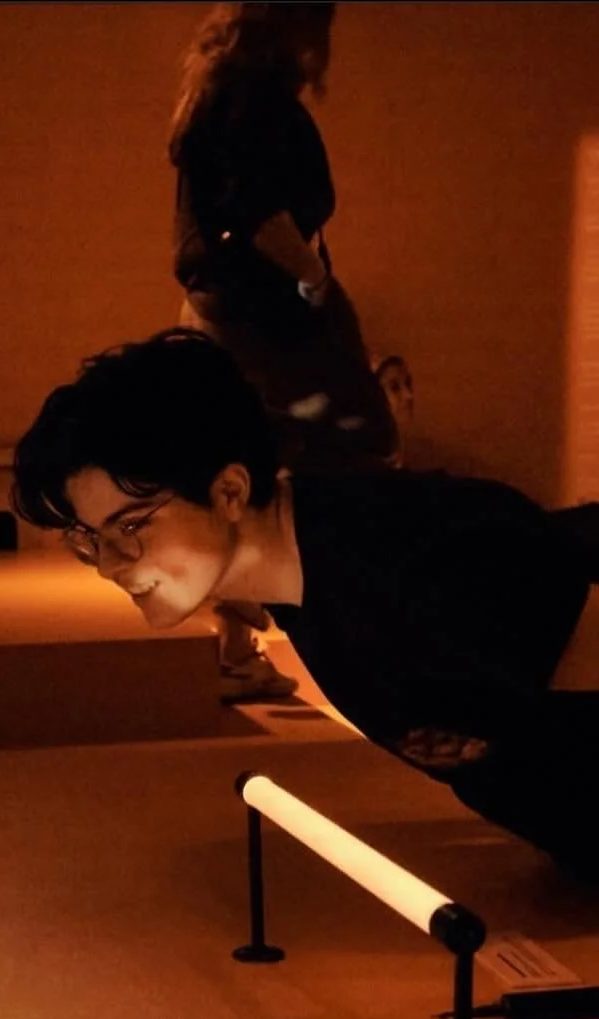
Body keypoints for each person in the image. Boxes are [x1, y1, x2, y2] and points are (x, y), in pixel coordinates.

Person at [10, 330, 599, 879]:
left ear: (230, 490)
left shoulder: (410, 561)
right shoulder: (311, 573)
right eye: (90, 540)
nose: (112, 564)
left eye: (131, 525)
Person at [169, 1, 399, 701]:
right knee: (358, 448)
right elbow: (268, 218)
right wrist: (314, 281)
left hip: (219, 307)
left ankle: (240, 643)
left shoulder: (208, 100)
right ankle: (363, 632)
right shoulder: (262, 108)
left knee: (252, 464)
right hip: (271, 316)